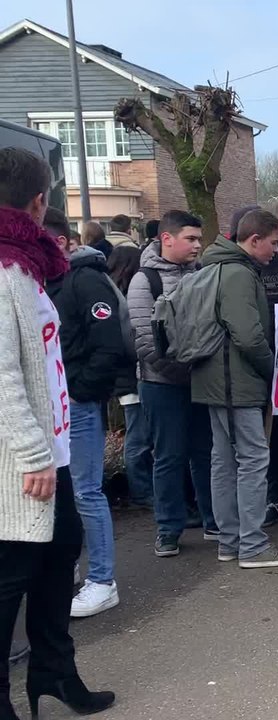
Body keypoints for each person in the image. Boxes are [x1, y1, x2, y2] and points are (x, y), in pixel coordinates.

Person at [0, 147, 115, 719]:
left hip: (56, 448)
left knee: (58, 554)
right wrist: (31, 454)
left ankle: (53, 671)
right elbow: (1, 374)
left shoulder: (28, 263)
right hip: (25, 458)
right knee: (13, 572)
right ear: (40, 200)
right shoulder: (3, 269)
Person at [193, 208, 278, 570]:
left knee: (223, 460)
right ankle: (252, 545)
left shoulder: (212, 266)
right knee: (253, 458)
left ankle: (230, 540)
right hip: (234, 381)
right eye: (273, 244)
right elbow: (248, 335)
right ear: (253, 240)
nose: (276, 252)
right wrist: (275, 371)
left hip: (213, 378)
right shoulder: (238, 274)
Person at [45, 208, 130, 618]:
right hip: (54, 404)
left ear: (59, 241)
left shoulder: (86, 280)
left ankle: (102, 580)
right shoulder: (46, 280)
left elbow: (108, 344)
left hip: (74, 405)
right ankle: (69, 570)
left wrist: (77, 393)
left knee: (85, 491)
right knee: (62, 493)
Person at [128, 211, 218, 557]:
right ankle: (168, 529)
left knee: (205, 453)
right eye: (191, 239)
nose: (198, 245)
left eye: (199, 239)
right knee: (168, 456)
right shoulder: (144, 280)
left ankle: (214, 520)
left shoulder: (202, 275)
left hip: (198, 379)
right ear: (167, 239)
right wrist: (183, 372)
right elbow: (144, 341)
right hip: (161, 384)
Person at [106, 242, 151, 509]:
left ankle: (140, 488)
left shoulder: (111, 291)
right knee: (138, 436)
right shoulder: (128, 297)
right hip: (131, 378)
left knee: (136, 435)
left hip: (123, 380)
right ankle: (141, 491)